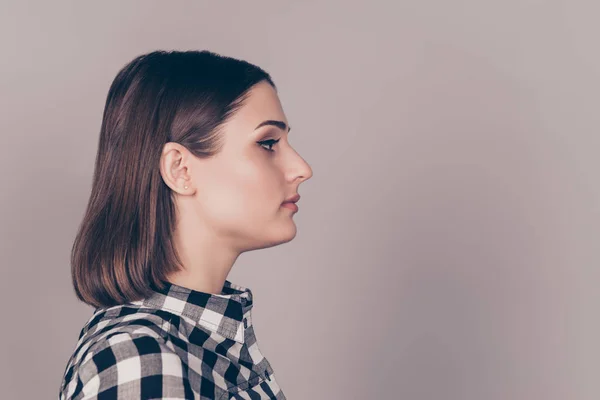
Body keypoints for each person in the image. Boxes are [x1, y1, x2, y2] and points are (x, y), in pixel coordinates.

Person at [58, 49, 313, 400]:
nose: (301, 168)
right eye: (268, 143)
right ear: (180, 169)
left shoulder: (205, 347)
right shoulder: (139, 357)